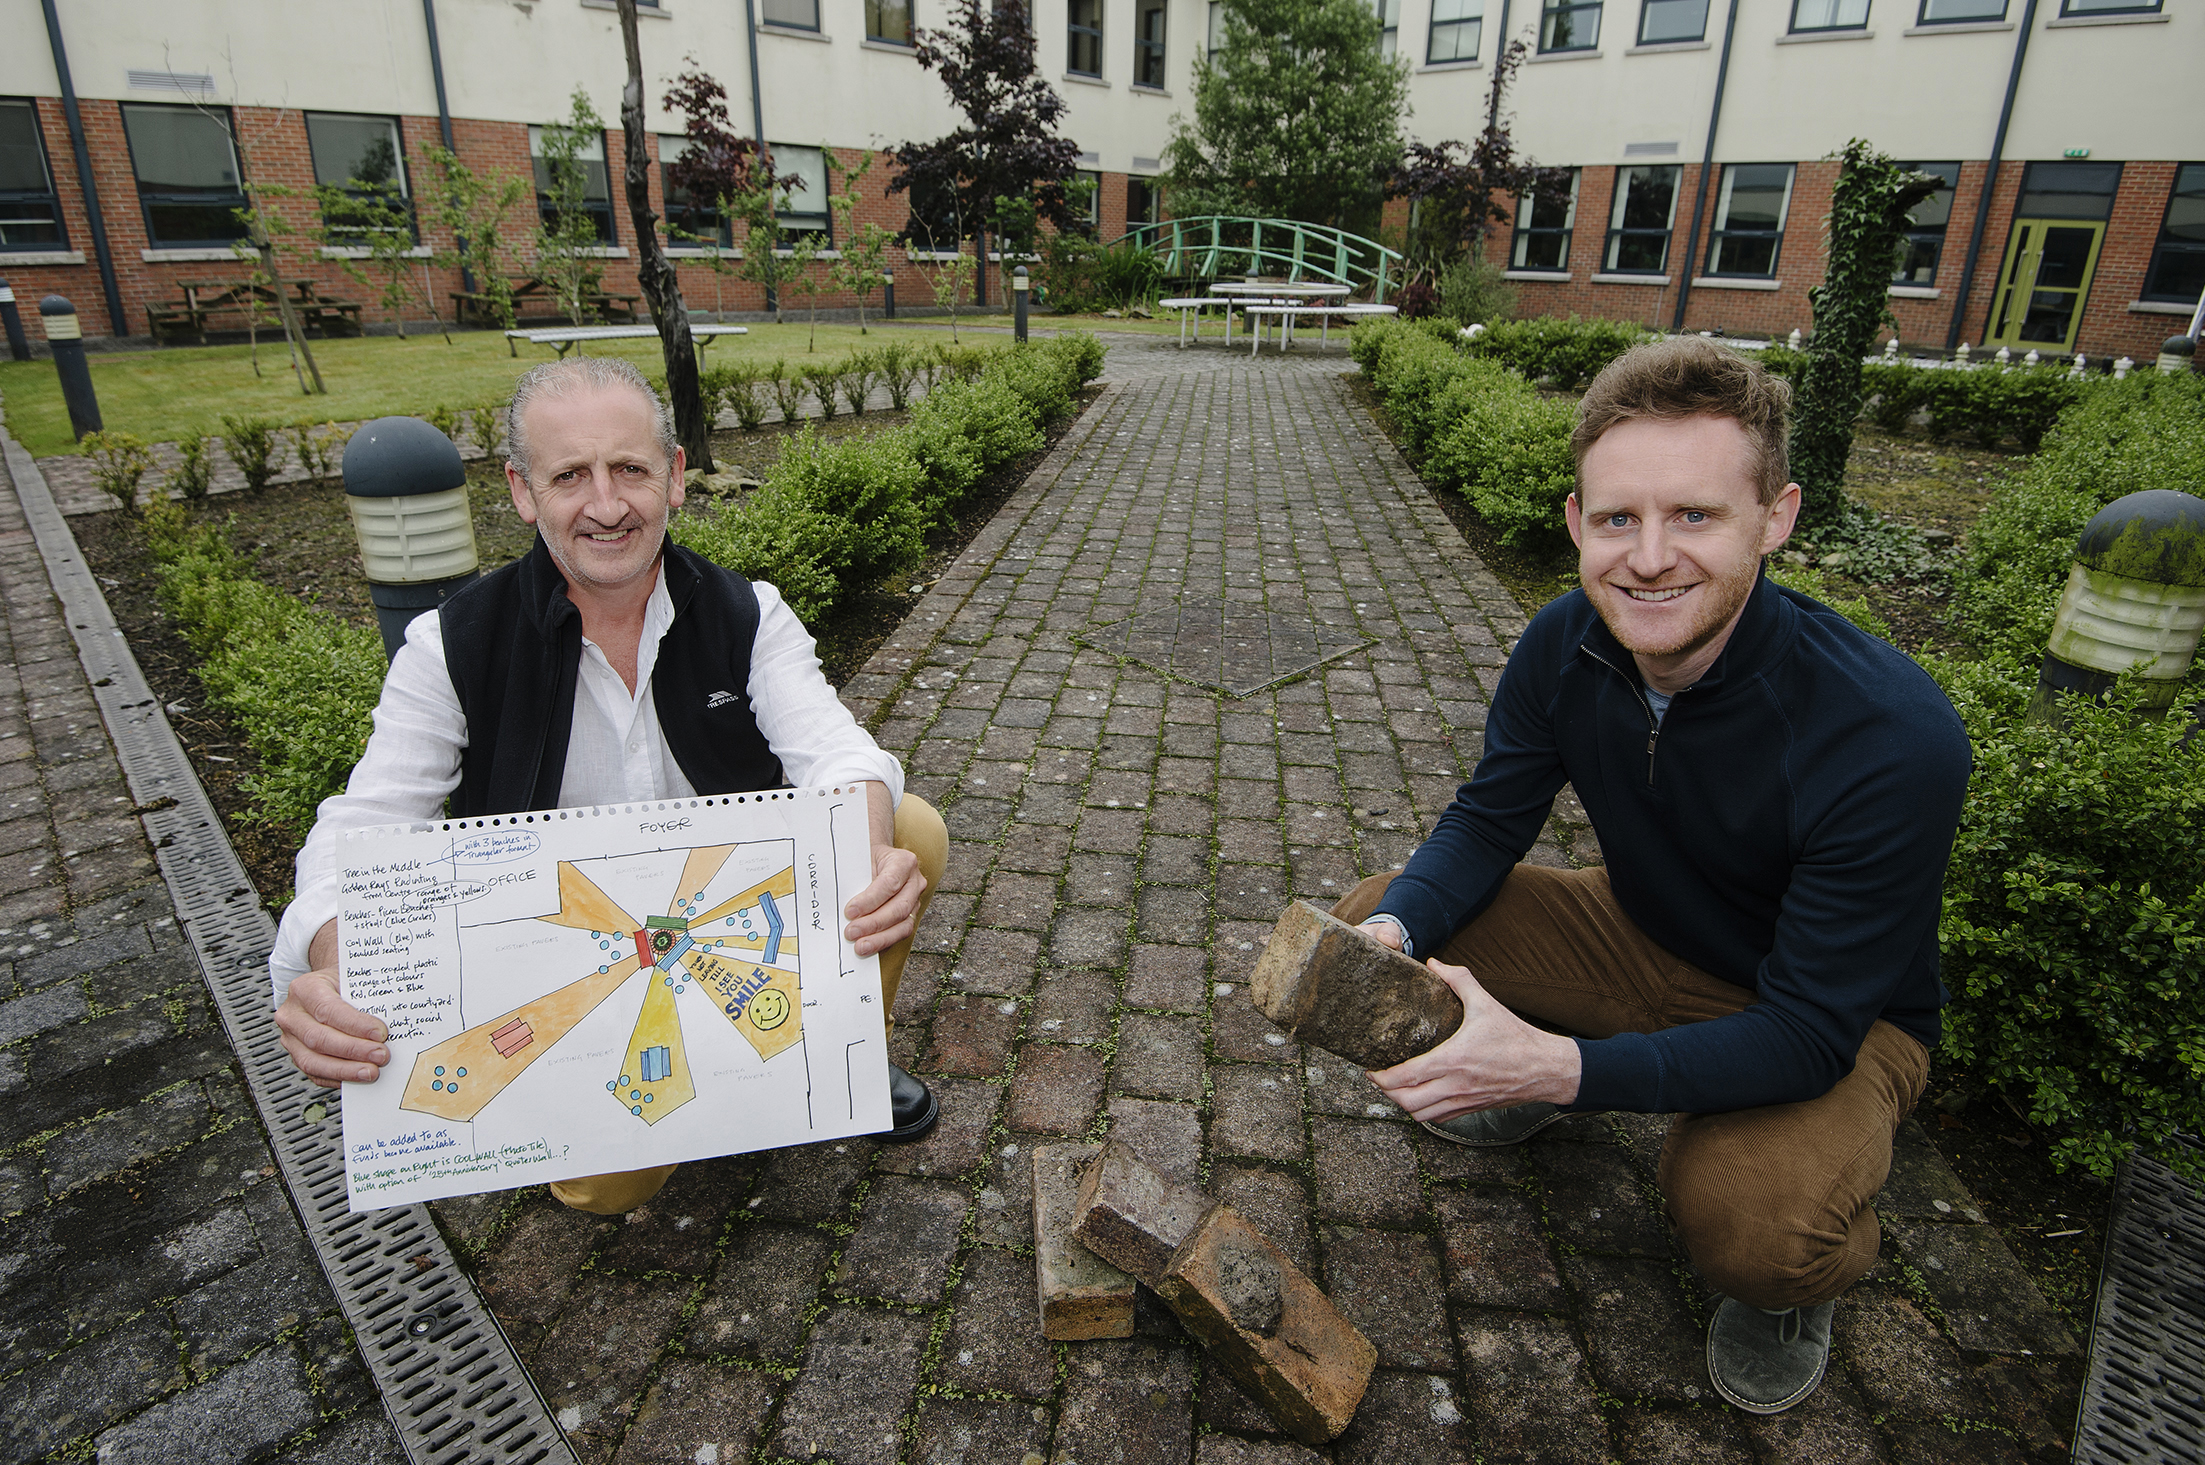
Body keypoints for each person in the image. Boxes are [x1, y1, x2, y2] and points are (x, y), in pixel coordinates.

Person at [1338, 337, 1970, 1414]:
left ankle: (1795, 1276)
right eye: (1620, 517)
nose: (1649, 557)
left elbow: (1811, 1029)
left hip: (1835, 1015)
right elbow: (1490, 818)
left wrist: (1559, 1067)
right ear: (1578, 522)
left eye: (1696, 516)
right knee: (1369, 929)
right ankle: (1521, 1065)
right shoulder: (1565, 641)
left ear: (1776, 518)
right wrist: (1397, 932)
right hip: (1641, 931)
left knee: (1754, 1227)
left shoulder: (1893, 734)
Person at [270, 356, 946, 1215]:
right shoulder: (451, 645)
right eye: (569, 476)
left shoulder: (749, 613)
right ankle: (654, 1100)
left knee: (906, 827)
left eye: (629, 468)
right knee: (603, 1192)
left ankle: (833, 1050)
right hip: (567, 954)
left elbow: (837, 753)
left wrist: (872, 843)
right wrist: (336, 959)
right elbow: (359, 824)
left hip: (723, 922)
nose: (606, 505)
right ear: (522, 492)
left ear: (673, 477)